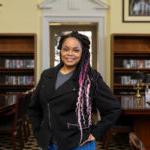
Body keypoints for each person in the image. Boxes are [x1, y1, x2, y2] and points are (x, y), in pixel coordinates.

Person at [28, 31, 121, 150]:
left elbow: (113, 108)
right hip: (49, 142)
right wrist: (38, 131)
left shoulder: (91, 78)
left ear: (83, 53)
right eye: (65, 49)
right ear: (60, 50)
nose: (69, 54)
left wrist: (96, 133)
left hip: (78, 143)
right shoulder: (47, 75)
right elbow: (34, 108)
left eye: (76, 50)